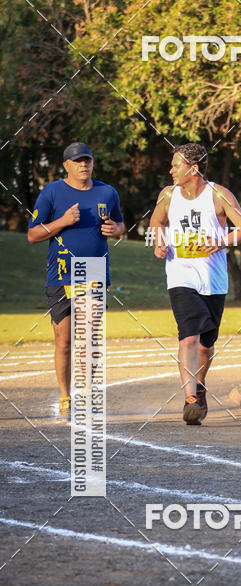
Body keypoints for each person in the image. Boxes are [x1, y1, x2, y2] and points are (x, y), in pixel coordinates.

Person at [150, 143, 241, 424]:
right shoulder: (168, 195)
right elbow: (156, 222)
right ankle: (190, 399)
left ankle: (200, 385)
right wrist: (159, 243)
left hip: (213, 281)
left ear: (193, 169)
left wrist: (221, 241)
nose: (171, 170)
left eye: (176, 165)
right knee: (189, 337)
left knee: (206, 345)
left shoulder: (218, 195)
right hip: (180, 275)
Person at [28, 142, 125, 421]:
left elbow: (121, 225)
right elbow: (33, 234)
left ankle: (87, 395)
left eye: (87, 160)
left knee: (89, 338)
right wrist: (62, 221)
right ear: (66, 165)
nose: (84, 165)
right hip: (60, 274)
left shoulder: (107, 192)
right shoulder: (52, 192)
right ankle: (65, 396)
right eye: (78, 161)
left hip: (93, 270)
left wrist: (115, 228)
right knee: (64, 342)